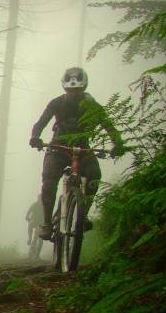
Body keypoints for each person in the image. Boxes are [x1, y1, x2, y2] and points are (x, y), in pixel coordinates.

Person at [28, 67, 124, 240]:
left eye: (77, 90)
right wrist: (35, 137)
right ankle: (47, 224)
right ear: (65, 88)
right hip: (58, 148)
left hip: (82, 149)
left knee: (94, 176)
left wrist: (118, 144)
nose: (74, 93)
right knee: (49, 182)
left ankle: (82, 214)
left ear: (84, 87)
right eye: (70, 90)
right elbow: (40, 123)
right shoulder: (56, 103)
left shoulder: (93, 106)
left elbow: (109, 127)